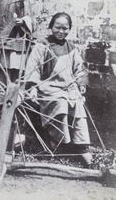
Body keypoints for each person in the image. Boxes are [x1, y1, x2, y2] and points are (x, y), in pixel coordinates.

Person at [25, 12, 92, 165]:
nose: (61, 32)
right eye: (57, 27)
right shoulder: (42, 45)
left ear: (69, 29)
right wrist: (33, 87)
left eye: (65, 28)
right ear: (51, 27)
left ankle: (82, 147)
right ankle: (58, 141)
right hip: (48, 87)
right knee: (61, 104)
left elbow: (79, 69)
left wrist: (81, 85)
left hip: (69, 87)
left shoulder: (71, 47)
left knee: (78, 104)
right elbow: (32, 68)